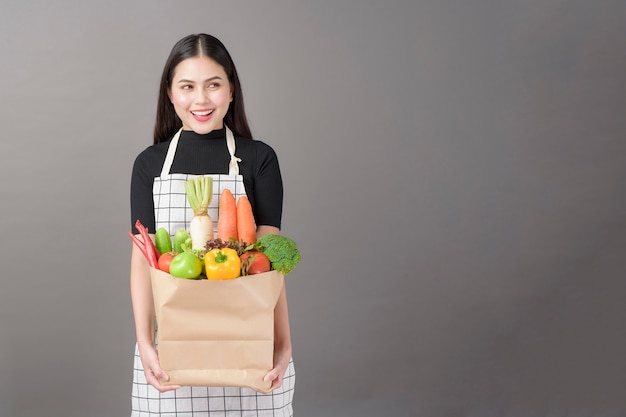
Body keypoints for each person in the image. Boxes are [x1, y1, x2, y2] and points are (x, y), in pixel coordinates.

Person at [129, 33, 295, 416]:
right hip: (172, 351)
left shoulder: (259, 160)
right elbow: (142, 261)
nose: (200, 100)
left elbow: (269, 265)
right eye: (187, 86)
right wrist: (145, 343)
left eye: (213, 85)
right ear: (170, 94)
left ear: (231, 90)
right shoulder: (149, 166)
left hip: (249, 349)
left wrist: (283, 343)